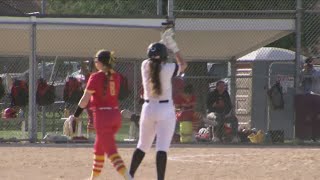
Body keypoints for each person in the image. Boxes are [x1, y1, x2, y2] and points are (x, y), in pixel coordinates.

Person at [129, 28, 188, 180]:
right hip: (165, 109)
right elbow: (183, 64)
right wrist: (173, 47)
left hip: (148, 108)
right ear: (163, 56)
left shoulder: (144, 66)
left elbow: (153, 58)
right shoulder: (168, 68)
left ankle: (130, 175)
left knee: (143, 145)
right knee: (161, 148)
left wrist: (161, 42)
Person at [68, 50, 132, 180]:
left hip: (102, 118)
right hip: (115, 116)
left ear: (101, 63)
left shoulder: (95, 77)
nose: (94, 63)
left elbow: (84, 100)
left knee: (111, 151)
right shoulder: (117, 76)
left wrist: (75, 115)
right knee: (99, 147)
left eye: (96, 60)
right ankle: (93, 178)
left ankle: (128, 177)